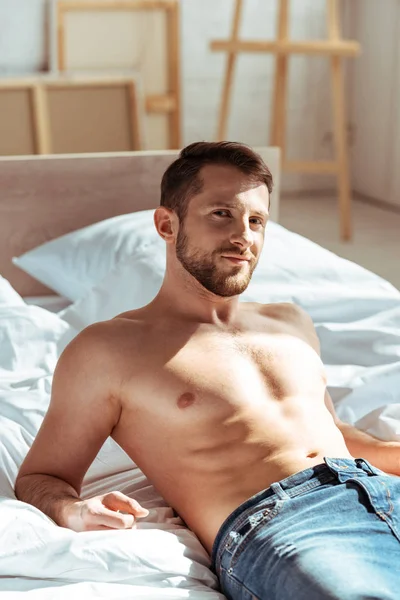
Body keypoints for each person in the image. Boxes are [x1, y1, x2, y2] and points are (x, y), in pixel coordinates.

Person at [15, 141, 400, 600]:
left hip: (377, 489)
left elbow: (329, 431)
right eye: (222, 214)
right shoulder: (107, 350)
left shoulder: (290, 322)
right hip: (286, 523)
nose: (244, 236)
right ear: (166, 224)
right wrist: (74, 510)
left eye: (256, 220)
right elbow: (41, 477)